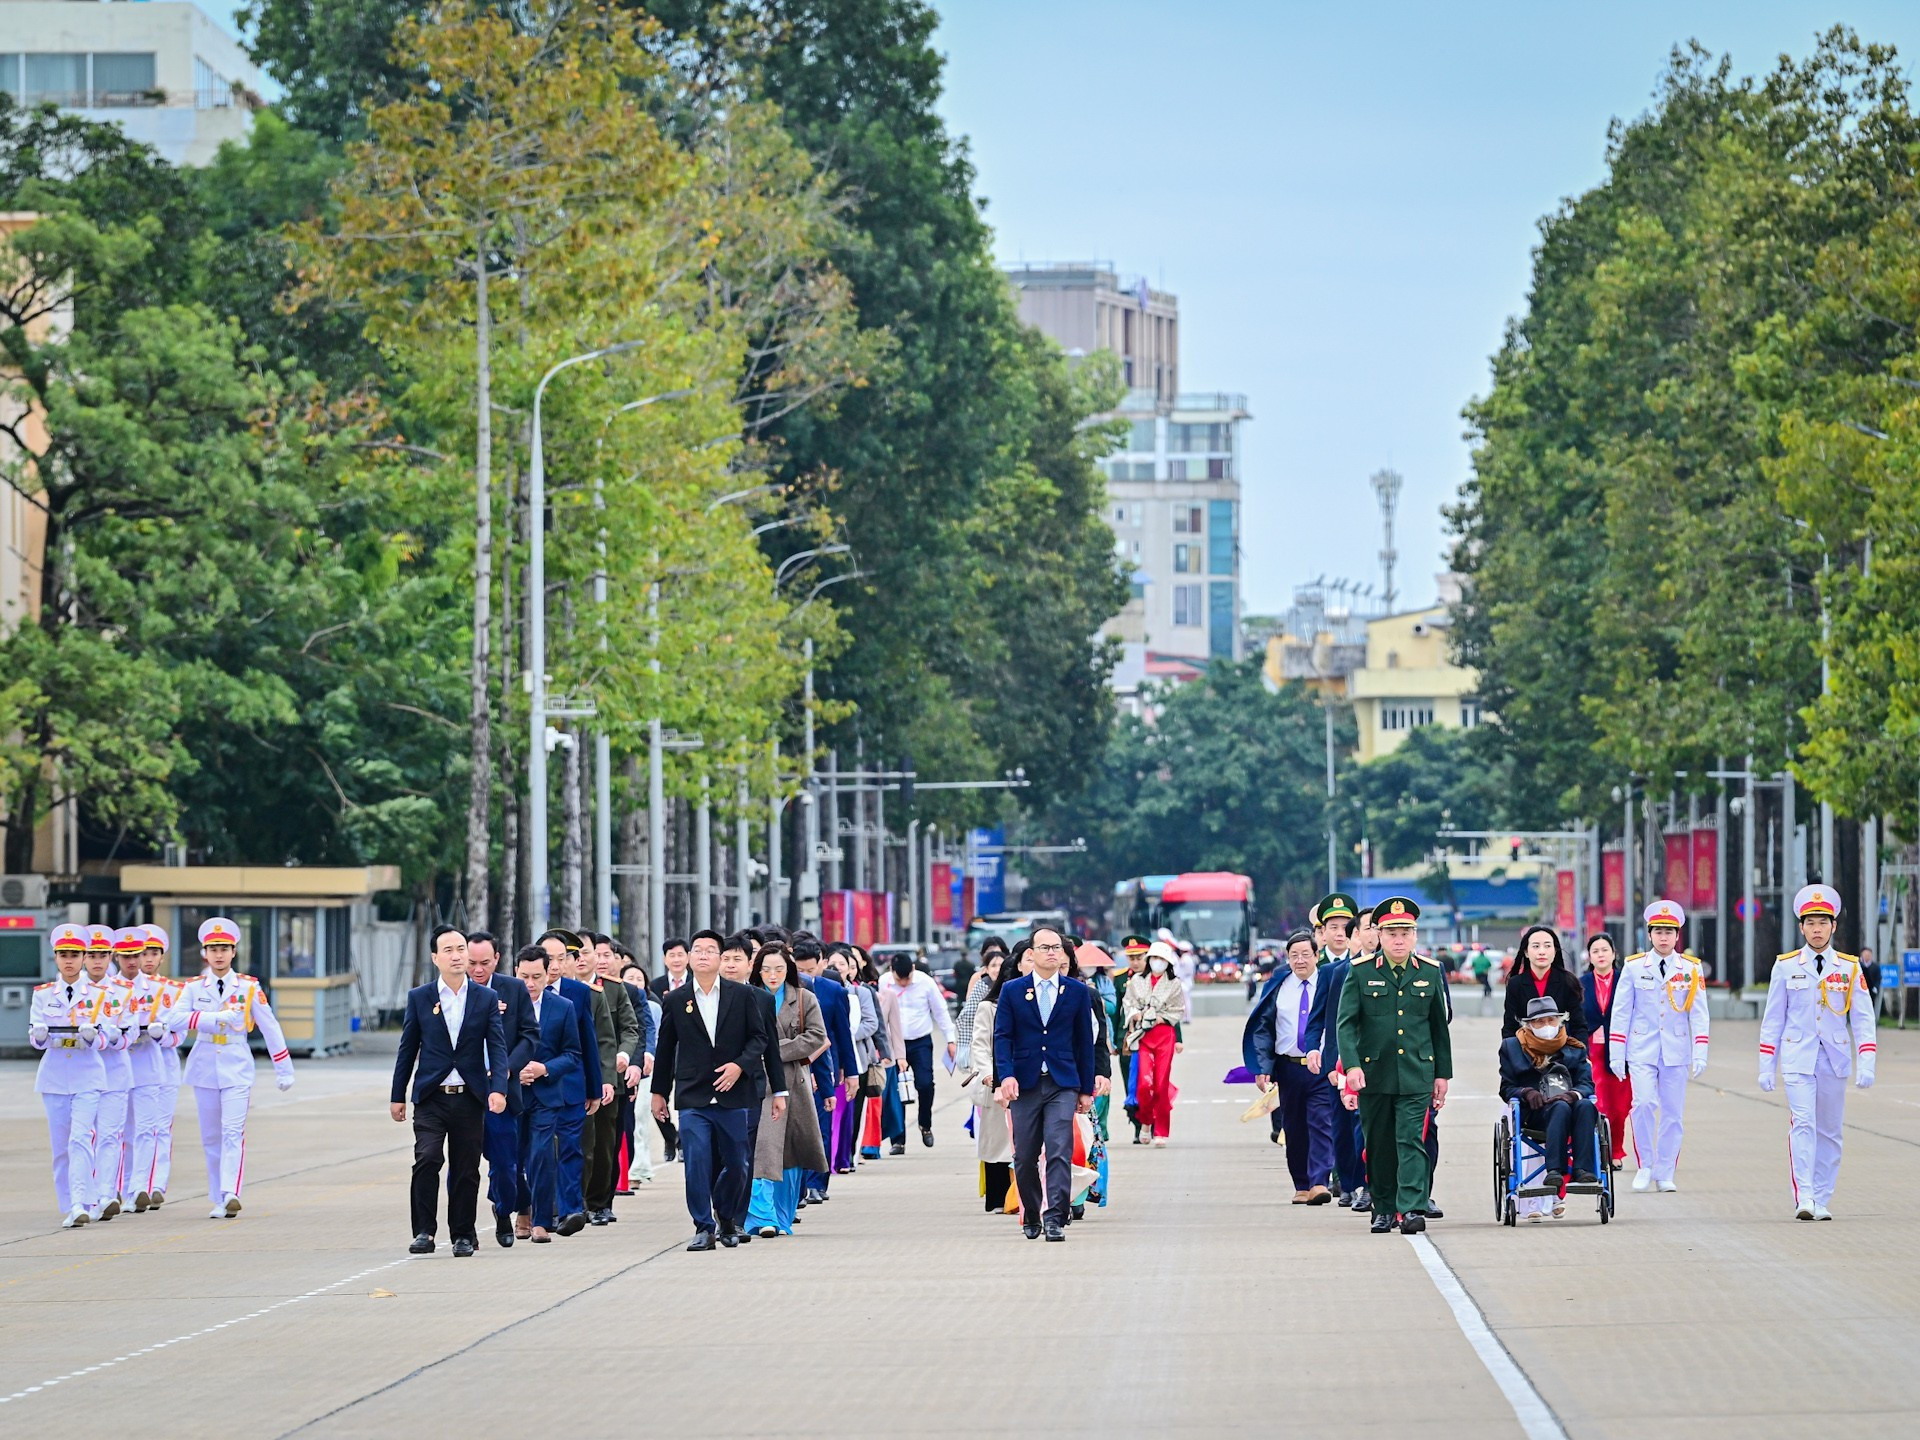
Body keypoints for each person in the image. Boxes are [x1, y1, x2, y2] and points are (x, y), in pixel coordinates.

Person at [650, 928, 776, 1250]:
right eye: (697, 950)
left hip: (733, 1094)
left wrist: (739, 1066)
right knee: (696, 1159)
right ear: (689, 958)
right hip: (693, 1094)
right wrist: (659, 1093)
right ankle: (703, 1227)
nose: (703, 955)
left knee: (737, 1163)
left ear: (720, 959)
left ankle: (727, 1217)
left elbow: (759, 1038)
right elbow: (665, 1048)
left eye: (710, 950)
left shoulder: (742, 995)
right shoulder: (677, 1000)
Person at [1760, 884, 1877, 1220]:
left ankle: (1823, 1197)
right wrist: (1766, 1066)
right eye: (1810, 923)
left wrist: (1866, 1061)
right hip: (1798, 1057)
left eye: (1822, 923)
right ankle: (1805, 1196)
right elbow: (1773, 1020)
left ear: (1834, 926)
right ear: (1801, 927)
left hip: (1834, 1058)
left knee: (1830, 1130)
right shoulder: (1785, 966)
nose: (1816, 929)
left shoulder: (1850, 968)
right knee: (1803, 1124)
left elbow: (1864, 1019)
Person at [390, 926, 509, 1256]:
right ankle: (424, 1232)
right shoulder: (420, 997)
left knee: (467, 1167)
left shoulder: (484, 998)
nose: (457, 956)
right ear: (435, 958)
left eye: (461, 949)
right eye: (449, 950)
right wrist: (397, 1095)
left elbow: (497, 1048)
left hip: (470, 1096)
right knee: (427, 1159)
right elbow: (407, 1048)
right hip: (431, 1096)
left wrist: (498, 1088)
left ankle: (463, 1234)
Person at [1335, 896, 1451, 1235]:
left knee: (1411, 1139)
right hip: (1374, 1073)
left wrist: (1442, 1073)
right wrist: (1351, 1067)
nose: (1399, 940)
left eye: (1405, 932)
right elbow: (1345, 1024)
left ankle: (1412, 1207)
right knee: (1380, 1142)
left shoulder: (1429, 973)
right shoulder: (1360, 972)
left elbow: (1437, 1029)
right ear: (1379, 936)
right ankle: (1383, 1207)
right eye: (1391, 933)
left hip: (1417, 1072)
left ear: (1415, 936)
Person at [165, 917, 294, 1219]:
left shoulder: (248, 987)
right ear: (204, 953)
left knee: (232, 1131)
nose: (219, 954)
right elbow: (173, 1019)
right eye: (213, 949)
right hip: (205, 1062)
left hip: (236, 1063)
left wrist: (283, 1067)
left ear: (234, 951)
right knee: (211, 1136)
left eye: (224, 948)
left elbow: (269, 1025)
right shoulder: (194, 987)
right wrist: (211, 1018)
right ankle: (217, 1195)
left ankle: (230, 1192)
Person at [994, 925, 1097, 1241]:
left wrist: (1085, 1088)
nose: (1052, 953)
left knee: (1058, 1148)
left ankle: (1054, 1217)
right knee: (1024, 1155)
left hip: (1062, 1082)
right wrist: (1005, 1076)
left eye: (1057, 948)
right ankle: (1032, 1215)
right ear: (1031, 954)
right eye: (1045, 947)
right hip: (1024, 1084)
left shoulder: (1077, 992)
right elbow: (1003, 1037)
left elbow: (1084, 1042)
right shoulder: (1013, 990)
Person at [1608, 899, 1709, 1194]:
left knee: (1673, 1114)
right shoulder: (1634, 966)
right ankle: (1645, 1165)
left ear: (1678, 936)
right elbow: (1622, 1010)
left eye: (1669, 931)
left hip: (1676, 1049)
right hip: (1642, 1047)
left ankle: (1665, 1171)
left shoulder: (1691, 969)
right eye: (1658, 931)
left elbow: (1699, 1013)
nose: (1664, 937)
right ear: (1649, 934)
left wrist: (1700, 1051)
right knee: (1642, 1104)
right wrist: (1617, 1053)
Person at [1246, 931, 1335, 1203]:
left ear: (1317, 956)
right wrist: (1263, 1066)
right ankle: (1302, 1184)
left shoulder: (1330, 982)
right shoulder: (1278, 984)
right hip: (1288, 1067)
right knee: (1294, 1127)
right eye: (1294, 955)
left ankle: (1320, 1181)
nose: (1300, 961)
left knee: (1321, 1122)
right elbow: (1263, 1027)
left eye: (1306, 954)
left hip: (1320, 1065)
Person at [30, 923, 108, 1227]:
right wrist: (39, 1035)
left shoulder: (100, 994)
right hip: (54, 1075)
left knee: (80, 1139)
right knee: (60, 1146)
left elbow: (108, 1036)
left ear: (84, 956)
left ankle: (81, 1202)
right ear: (56, 957)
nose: (69, 960)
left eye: (75, 954)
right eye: (63, 954)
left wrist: (93, 1037)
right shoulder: (44, 994)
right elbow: (36, 1039)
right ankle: (70, 1203)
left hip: (87, 1074)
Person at [746, 944, 827, 1237]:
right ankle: (760, 1215)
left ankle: (783, 1216)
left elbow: (817, 1037)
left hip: (793, 1082)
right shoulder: (747, 997)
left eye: (779, 968)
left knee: (791, 1153)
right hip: (757, 1083)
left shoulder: (804, 999)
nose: (772, 975)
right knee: (763, 1148)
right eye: (766, 968)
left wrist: (774, 1050)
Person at [1500, 997, 1601, 1220]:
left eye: (1551, 1021)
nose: (1547, 1027)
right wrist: (1526, 1092)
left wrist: (1572, 1094)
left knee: (1586, 1105)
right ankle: (1555, 1170)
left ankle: (1584, 1170)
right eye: (1539, 1022)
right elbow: (1506, 1088)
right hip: (1536, 1113)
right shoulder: (1512, 1047)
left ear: (1560, 1021)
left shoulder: (1574, 1047)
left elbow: (1586, 1084)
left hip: (1571, 1106)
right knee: (1560, 1109)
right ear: (1528, 1025)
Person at [467, 930, 537, 1246]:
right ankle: (463, 1230)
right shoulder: (452, 993)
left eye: (484, 963)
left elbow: (530, 1036)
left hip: (502, 1091)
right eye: (471, 963)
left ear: (497, 958)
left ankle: (504, 1210)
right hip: (463, 1093)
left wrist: (507, 1067)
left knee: (506, 1164)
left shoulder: (514, 989)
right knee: (463, 1165)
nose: (478, 970)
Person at [512, 945, 582, 1243]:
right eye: (524, 976)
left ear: (548, 973)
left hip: (546, 1095)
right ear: (515, 973)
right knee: (510, 1159)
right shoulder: (501, 1003)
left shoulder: (562, 1007)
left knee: (541, 1156)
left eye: (536, 976)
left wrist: (544, 1069)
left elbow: (572, 1054)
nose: (530, 983)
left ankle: (541, 1220)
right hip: (511, 1093)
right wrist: (514, 1071)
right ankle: (516, 1210)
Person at [1303, 897, 1369, 1211]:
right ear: (1323, 932)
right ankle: (1344, 1179)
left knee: (1364, 1125)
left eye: (1347, 928)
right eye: (1334, 927)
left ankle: (1364, 1183)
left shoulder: (1371, 969)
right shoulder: (1330, 972)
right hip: (1336, 1063)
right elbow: (1318, 1020)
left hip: (1368, 1061)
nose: (1341, 934)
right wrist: (1317, 1053)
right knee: (1341, 1127)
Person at [720, 933, 785, 1239]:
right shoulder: (694, 998)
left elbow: (770, 1047)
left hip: (749, 1089)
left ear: (750, 965)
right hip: (704, 1090)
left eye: (737, 959)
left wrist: (779, 1092)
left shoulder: (761, 1000)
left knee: (740, 1154)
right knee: (709, 1154)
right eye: (725, 958)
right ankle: (718, 1213)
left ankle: (734, 1218)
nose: (730, 965)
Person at [538, 931, 602, 1235]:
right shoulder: (522, 991)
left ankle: (570, 1209)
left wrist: (594, 1088)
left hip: (572, 1086)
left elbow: (589, 1043)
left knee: (571, 1148)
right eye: (548, 959)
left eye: (560, 958)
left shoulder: (578, 992)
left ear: (569, 960)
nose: (554, 966)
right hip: (535, 1088)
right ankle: (544, 1209)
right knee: (539, 1151)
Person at [583, 931, 641, 1225]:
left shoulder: (615, 989)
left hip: (609, 1079)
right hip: (572, 1079)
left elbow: (631, 1029)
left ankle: (600, 1202)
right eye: (575, 953)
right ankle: (574, 1201)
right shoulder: (558, 989)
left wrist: (625, 1056)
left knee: (605, 1144)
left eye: (589, 952)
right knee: (575, 1145)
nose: (582, 958)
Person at [793, 935, 856, 1198]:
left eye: (810, 969)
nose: (805, 975)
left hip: (825, 1067)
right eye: (799, 969)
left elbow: (843, 1034)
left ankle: (818, 1184)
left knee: (821, 1125)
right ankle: (800, 1185)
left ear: (822, 963)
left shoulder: (834, 991)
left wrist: (851, 1072)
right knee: (799, 1130)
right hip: (795, 1068)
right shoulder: (785, 991)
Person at [129, 924, 185, 1210]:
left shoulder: (173, 991)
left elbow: (180, 1032)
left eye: (154, 953)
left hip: (163, 1062)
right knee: (129, 1129)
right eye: (144, 953)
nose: (148, 959)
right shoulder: (120, 987)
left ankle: (156, 1183)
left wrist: (162, 1034)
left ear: (162, 956)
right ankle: (130, 1185)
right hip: (129, 1061)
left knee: (160, 1126)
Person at [78, 925, 132, 1221]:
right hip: (82, 1073)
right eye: (92, 955)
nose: (98, 961)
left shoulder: (122, 992)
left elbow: (130, 1034)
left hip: (114, 1071)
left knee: (110, 1135)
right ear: (84, 957)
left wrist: (110, 1037)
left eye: (103, 955)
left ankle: (106, 1194)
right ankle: (84, 1195)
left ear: (111, 956)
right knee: (84, 1136)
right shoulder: (71, 989)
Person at [886, 951, 956, 1148]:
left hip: (920, 1041)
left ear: (913, 970)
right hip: (894, 1043)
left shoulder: (925, 983)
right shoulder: (884, 983)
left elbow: (940, 1011)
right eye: (900, 979)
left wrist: (950, 1040)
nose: (904, 983)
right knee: (897, 1089)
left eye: (907, 978)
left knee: (925, 1084)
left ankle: (925, 1124)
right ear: (891, 972)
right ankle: (898, 1139)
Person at [1122, 940, 1185, 1147]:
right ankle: (1146, 1121)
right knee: (1143, 1084)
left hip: (1164, 1035)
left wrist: (1162, 1018)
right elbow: (1128, 1003)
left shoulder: (1174, 984)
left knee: (1160, 1084)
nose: (1158, 962)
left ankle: (1161, 1131)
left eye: (1162, 959)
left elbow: (1178, 1009)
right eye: (1155, 958)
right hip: (1143, 1035)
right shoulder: (1137, 981)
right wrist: (1135, 1014)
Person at [1579, 933, 1631, 1167]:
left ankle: (1616, 1151)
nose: (1600, 955)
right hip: (1592, 1053)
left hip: (1620, 1050)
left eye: (1604, 950)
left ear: (1614, 954)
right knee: (1598, 1104)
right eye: (1595, 951)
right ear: (1589, 957)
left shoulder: (1625, 980)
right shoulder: (1581, 983)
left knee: (1620, 1107)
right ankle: (1599, 1152)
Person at [970, 958, 1018, 1213]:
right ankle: (999, 1197)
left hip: (1025, 1081)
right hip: (996, 1083)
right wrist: (989, 1075)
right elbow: (980, 1044)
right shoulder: (989, 1006)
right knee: (997, 1143)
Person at [1502, 925, 1590, 1046]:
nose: (1542, 951)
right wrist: (1510, 1055)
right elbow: (1509, 1025)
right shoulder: (1515, 984)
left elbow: (1579, 1025)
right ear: (1526, 952)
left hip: (1562, 1052)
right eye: (1536, 946)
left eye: (1547, 946)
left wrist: (1581, 1056)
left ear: (1555, 951)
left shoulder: (1567, 981)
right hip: (1525, 1052)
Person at [650, 938, 690, 1160]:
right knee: (658, 1097)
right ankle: (670, 1138)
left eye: (680, 955)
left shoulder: (696, 982)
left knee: (685, 1099)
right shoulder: (655, 986)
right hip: (664, 1049)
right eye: (671, 955)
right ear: (665, 959)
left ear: (688, 957)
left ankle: (684, 1143)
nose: (676, 959)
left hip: (687, 1050)